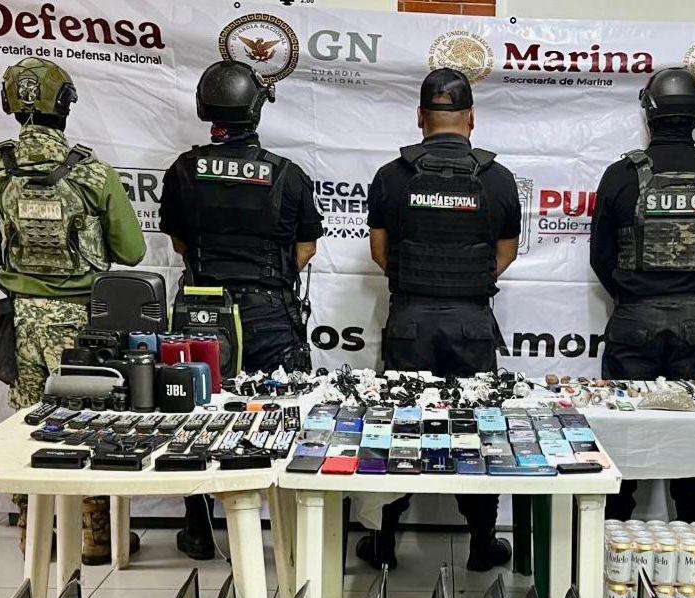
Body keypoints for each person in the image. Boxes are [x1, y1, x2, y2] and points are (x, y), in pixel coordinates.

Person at [0, 57, 146, 564]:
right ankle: (93, 535)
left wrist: (18, 284)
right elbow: (131, 252)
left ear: (10, 105)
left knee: (27, 423)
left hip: (22, 321)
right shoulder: (92, 172)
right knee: (90, 420)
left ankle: (33, 534)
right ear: (65, 106)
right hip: (84, 323)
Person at [159, 60, 323, 559]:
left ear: (206, 109)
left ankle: (198, 529)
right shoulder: (287, 175)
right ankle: (290, 532)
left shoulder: (183, 171)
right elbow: (305, 249)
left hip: (202, 312)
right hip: (269, 313)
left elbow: (180, 243)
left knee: (194, 413)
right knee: (284, 415)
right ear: (256, 110)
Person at [362, 68, 521, 572]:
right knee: (477, 429)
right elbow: (507, 252)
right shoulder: (497, 179)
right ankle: (481, 543)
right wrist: (465, 283)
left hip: (410, 320)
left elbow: (381, 252)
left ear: (420, 117)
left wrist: (421, 284)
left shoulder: (391, 176)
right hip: (471, 322)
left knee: (400, 428)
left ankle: (384, 543)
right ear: (471, 118)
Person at [590, 67, 695, 523]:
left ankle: (613, 536)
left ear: (649, 113)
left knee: (623, 434)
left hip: (633, 321)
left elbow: (601, 258)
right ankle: (694, 539)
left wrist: (637, 295)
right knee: (693, 441)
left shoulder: (622, 175)